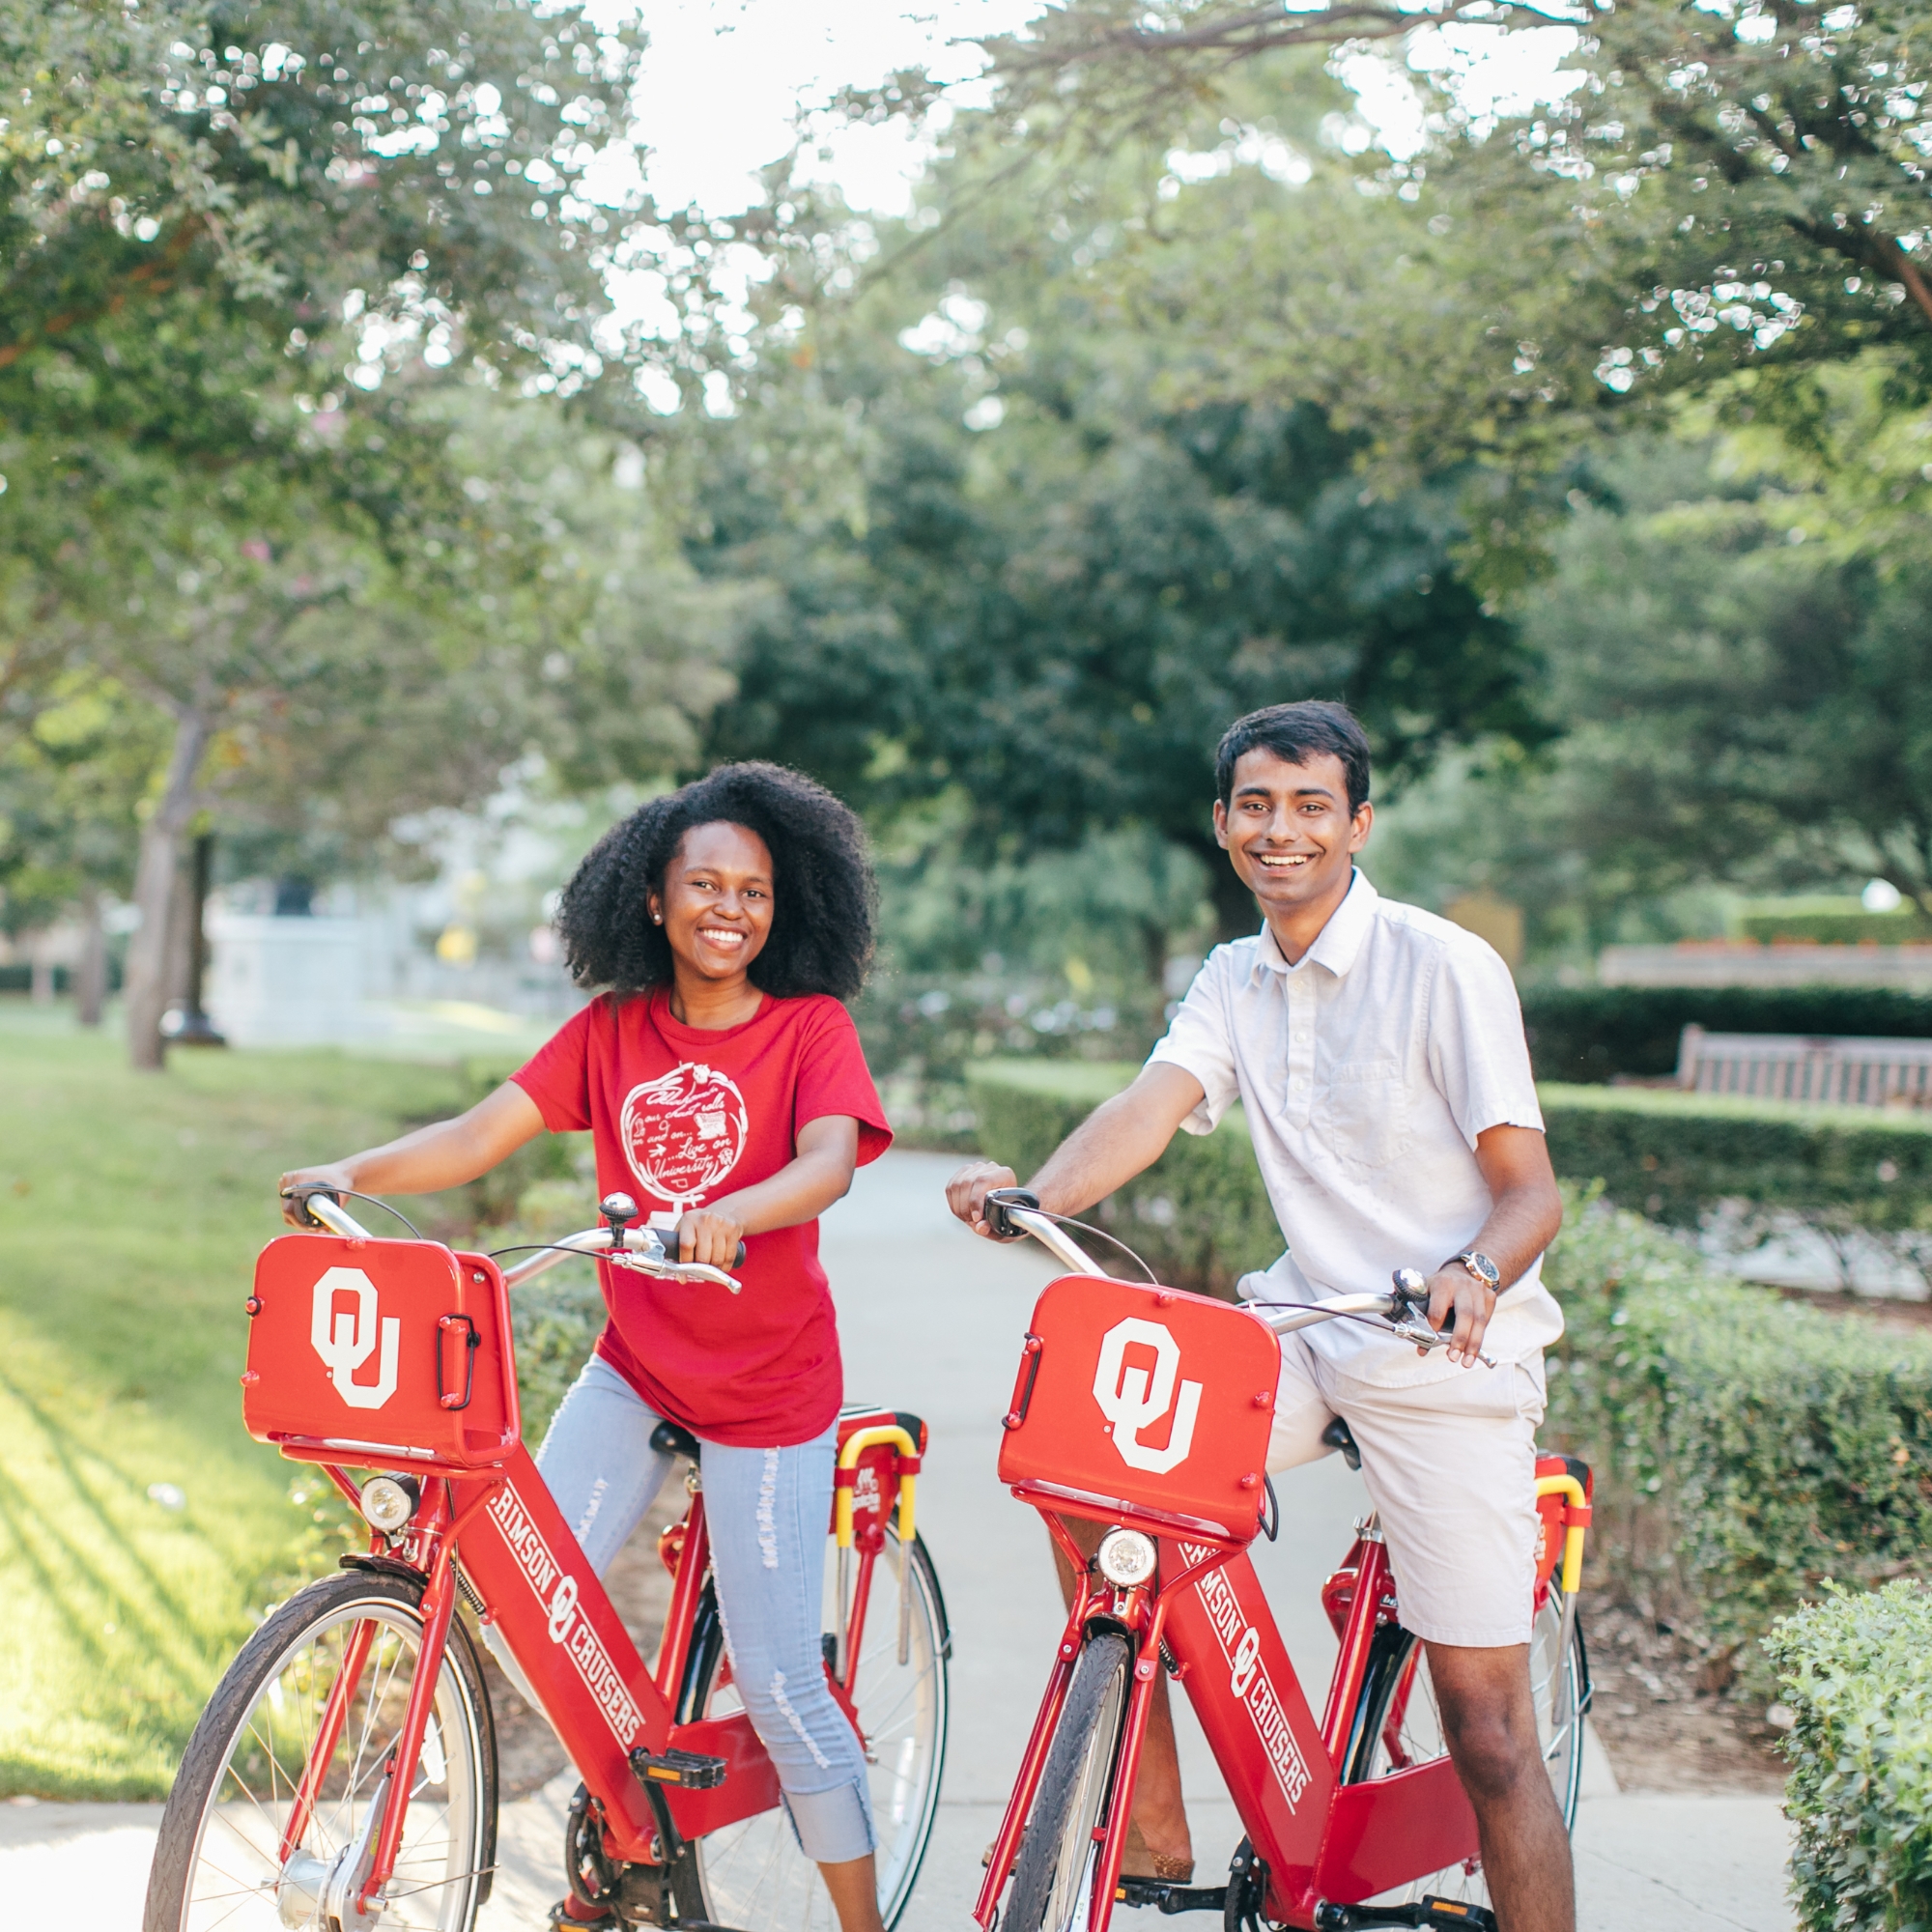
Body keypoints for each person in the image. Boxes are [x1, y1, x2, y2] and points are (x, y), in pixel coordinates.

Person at [948, 700, 1573, 1932]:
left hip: (1440, 1346)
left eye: (1308, 805)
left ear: (1356, 822)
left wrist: (1474, 1272)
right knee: (1091, 1469)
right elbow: (1151, 1100)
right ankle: (1154, 1821)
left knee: (1489, 1733)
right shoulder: (1235, 975)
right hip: (1301, 1328)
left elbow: (1528, 1192)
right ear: (1223, 823)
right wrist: (1036, 1196)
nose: (1278, 830)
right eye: (1254, 805)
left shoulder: (1443, 964)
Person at [282, 761, 895, 1932]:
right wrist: (351, 1172)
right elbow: (480, 1132)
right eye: (703, 884)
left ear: (784, 907)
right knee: (523, 1594)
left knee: (775, 1681)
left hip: (770, 1388)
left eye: (754, 890)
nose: (729, 907)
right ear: (651, 902)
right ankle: (628, 1824)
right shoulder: (613, 1030)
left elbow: (826, 1159)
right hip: (640, 1364)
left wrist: (739, 1208)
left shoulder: (808, 1027)